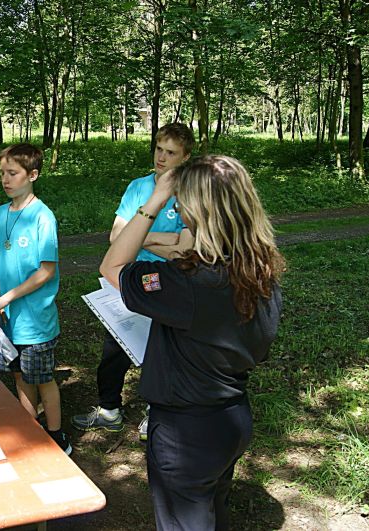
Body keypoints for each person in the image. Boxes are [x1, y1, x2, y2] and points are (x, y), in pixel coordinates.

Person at [100, 155, 284, 530]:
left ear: (200, 211)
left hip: (185, 432)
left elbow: (112, 267)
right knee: (213, 510)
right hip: (231, 418)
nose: (180, 210)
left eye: (183, 202)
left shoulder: (186, 283)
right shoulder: (259, 271)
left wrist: (154, 200)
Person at [71, 123, 195, 438]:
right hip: (128, 278)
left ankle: (155, 414)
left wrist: (138, 236)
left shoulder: (190, 192)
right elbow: (116, 236)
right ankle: (109, 410)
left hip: (167, 283)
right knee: (115, 346)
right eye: (159, 149)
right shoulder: (138, 187)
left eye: (171, 153)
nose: (161, 158)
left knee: (161, 350)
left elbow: (184, 251)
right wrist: (160, 240)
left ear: (186, 157)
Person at [0, 143, 72, 455]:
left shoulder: (42, 217)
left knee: (42, 379)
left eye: (13, 173)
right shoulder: (0, 214)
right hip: (7, 319)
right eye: (2, 174)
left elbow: (46, 271)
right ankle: (31, 432)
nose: (5, 180)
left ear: (32, 175)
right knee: (20, 376)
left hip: (36, 320)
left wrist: (7, 297)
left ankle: (57, 437)